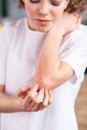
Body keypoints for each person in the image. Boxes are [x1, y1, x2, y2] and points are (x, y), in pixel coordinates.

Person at [0, 0, 87, 130]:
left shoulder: (79, 37)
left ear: (66, 2)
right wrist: (21, 104)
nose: (43, 11)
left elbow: (46, 80)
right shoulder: (9, 32)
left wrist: (57, 31)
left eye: (55, 3)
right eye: (34, 0)